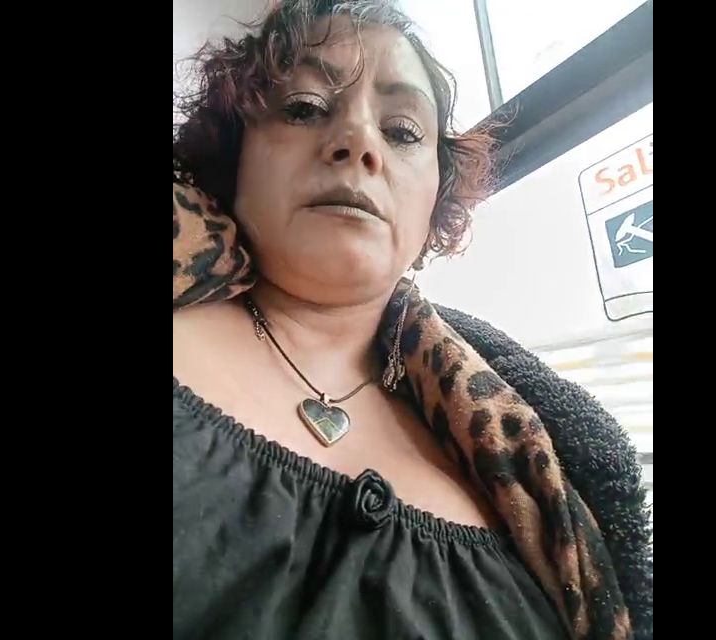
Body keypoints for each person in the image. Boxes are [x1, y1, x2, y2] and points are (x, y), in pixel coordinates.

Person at [172, 2, 653, 639]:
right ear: (235, 157)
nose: (358, 142)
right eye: (306, 107)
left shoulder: (528, 465)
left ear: (435, 197)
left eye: (402, 131)